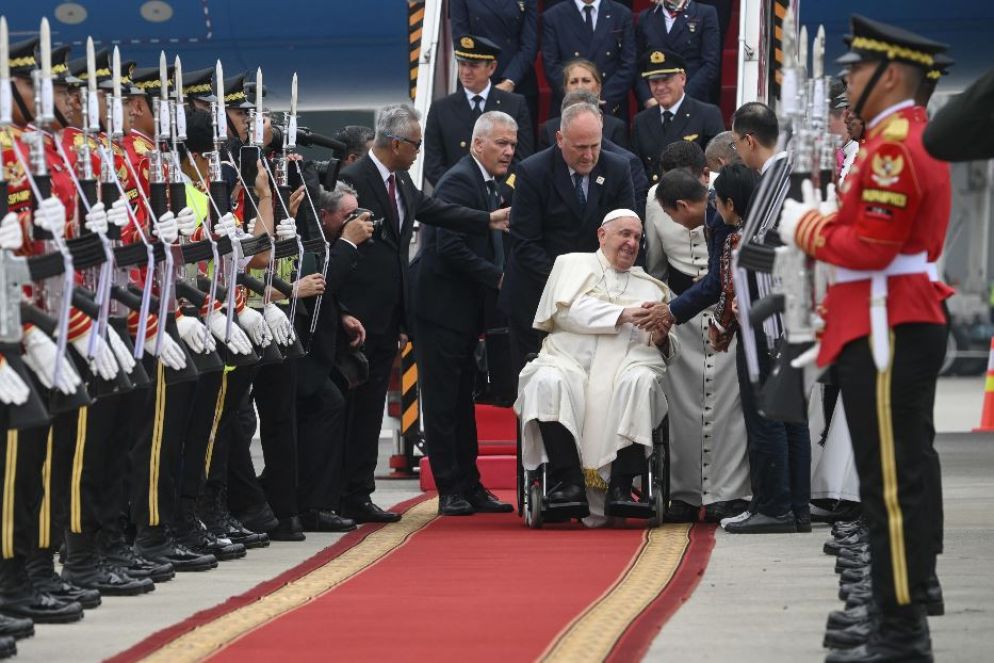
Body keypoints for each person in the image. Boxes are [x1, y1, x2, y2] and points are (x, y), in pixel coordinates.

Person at [778, 15, 951, 661]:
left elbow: (872, 246)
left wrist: (804, 226)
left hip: (888, 322)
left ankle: (901, 630)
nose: (847, 79)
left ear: (894, 74)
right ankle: (889, 609)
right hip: (880, 316)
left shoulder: (894, 145)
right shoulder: (894, 137)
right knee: (887, 481)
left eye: (858, 68)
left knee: (889, 487)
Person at [337, 104, 509, 524]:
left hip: (393, 311)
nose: (420, 153)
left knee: (376, 403)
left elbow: (435, 212)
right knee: (355, 410)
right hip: (360, 315)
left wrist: (486, 220)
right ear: (395, 143)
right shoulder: (353, 181)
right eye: (415, 145)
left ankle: (364, 493)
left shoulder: (401, 181)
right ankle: (347, 493)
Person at [515, 210, 677, 525]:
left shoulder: (652, 288)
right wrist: (625, 314)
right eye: (625, 234)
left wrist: (660, 337)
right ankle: (569, 482)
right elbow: (566, 314)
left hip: (626, 366)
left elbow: (671, 349)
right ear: (602, 235)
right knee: (545, 381)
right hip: (569, 361)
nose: (632, 243)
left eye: (637, 237)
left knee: (640, 382)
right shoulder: (571, 265)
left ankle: (620, 485)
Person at [412, 112, 518, 517]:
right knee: (443, 402)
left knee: (462, 401)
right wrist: (500, 280)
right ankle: (450, 487)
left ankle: (470, 484)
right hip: (440, 309)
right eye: (501, 143)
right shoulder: (460, 180)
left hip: (463, 311)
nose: (509, 151)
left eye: (512, 143)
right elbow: (450, 248)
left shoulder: (489, 183)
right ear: (478, 144)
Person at [642, 144, 750, 523]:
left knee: (728, 410)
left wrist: (673, 312)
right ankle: (684, 493)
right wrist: (663, 309)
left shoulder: (728, 202)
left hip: (724, 309)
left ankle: (729, 492)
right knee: (684, 409)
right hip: (683, 314)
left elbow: (723, 277)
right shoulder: (653, 202)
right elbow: (655, 263)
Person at [722, 100, 811, 535]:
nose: (739, 153)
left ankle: (774, 506)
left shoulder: (775, 177)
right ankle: (795, 506)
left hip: (769, 313)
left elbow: (765, 245)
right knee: (790, 413)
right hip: (786, 310)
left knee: (767, 412)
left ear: (748, 140)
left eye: (738, 145)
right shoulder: (791, 172)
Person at [499, 101, 636, 373]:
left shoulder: (618, 169)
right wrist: (571, 284)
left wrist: (593, 288)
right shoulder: (532, 172)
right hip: (537, 296)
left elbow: (625, 233)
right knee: (535, 384)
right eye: (580, 147)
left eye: (595, 146)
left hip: (595, 297)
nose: (589, 156)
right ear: (560, 139)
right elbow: (525, 243)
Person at [292, 182, 373, 535]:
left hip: (322, 345)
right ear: (323, 216)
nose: (353, 222)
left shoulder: (329, 240)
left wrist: (341, 314)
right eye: (346, 216)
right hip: (300, 350)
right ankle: (313, 504)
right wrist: (348, 244)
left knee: (331, 405)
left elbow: (329, 293)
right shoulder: (313, 239)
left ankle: (321, 501)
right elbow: (321, 283)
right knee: (326, 406)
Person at [422, 35, 533, 187]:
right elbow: (432, 165)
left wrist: (500, 194)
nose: (466, 71)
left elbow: (523, 159)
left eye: (473, 66)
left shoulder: (515, 104)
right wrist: (457, 191)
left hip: (502, 200)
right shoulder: (440, 109)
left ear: (492, 67)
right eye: (462, 64)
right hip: (457, 201)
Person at [631, 49, 725, 183]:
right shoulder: (641, 121)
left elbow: (716, 163)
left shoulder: (708, 114)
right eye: (654, 82)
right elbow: (637, 170)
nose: (660, 87)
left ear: (682, 78)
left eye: (666, 80)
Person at [449, 0, 539, 139]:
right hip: (476, 82)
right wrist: (484, 83)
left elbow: (530, 45)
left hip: (518, 80)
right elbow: (461, 40)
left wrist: (510, 81)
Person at [541, 0, 637, 120]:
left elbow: (629, 63)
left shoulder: (621, 14)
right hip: (569, 107)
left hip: (609, 106)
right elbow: (551, 64)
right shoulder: (553, 16)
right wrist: (576, 96)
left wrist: (601, 97)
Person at [635, 0, 721, 107]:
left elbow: (710, 64)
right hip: (655, 103)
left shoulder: (705, 13)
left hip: (692, 101)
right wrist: (648, 98)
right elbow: (637, 65)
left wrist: (681, 98)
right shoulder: (646, 17)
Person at [537, 59, 629, 149]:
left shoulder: (615, 127)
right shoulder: (549, 129)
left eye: (586, 81)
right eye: (573, 82)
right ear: (565, 89)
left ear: (598, 88)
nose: (580, 87)